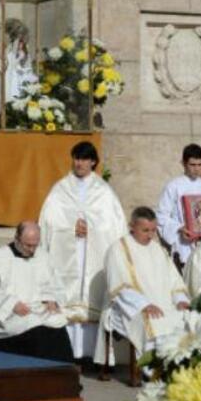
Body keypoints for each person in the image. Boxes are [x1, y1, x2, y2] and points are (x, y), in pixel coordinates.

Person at [39, 141, 126, 360]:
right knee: (67, 294)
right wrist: (70, 227)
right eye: (76, 158)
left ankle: (91, 354)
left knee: (91, 295)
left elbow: (112, 226)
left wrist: (92, 228)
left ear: (93, 162)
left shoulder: (104, 191)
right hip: (68, 253)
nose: (79, 163)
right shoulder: (61, 189)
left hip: (93, 253)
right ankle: (68, 352)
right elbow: (49, 222)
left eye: (84, 159)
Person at [94, 207, 190, 364]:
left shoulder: (158, 249)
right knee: (153, 321)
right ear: (132, 226)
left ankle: (178, 364)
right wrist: (143, 304)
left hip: (163, 304)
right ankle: (153, 368)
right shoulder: (118, 249)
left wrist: (180, 299)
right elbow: (120, 287)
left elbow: (174, 281)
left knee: (186, 317)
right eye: (145, 230)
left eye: (153, 230)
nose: (151, 235)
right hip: (128, 306)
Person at [0, 221, 73, 362]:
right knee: (36, 329)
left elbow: (54, 284)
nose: (32, 250)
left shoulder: (44, 257)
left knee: (58, 322)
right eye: (28, 245)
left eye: (35, 245)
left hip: (37, 308)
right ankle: (36, 375)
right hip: (9, 315)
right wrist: (12, 305)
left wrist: (51, 299)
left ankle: (64, 375)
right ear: (16, 238)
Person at [156, 144, 201, 265]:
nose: (196, 169)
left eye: (200, 165)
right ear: (183, 163)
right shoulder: (174, 186)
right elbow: (161, 216)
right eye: (192, 165)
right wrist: (179, 228)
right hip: (185, 245)